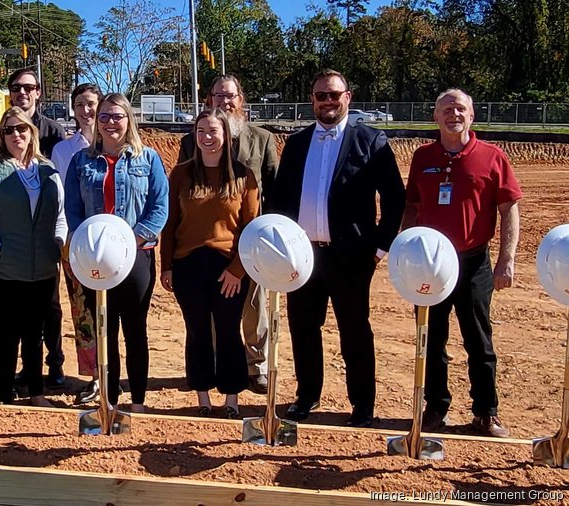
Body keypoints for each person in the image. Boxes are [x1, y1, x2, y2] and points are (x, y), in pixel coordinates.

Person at [269, 69, 405, 428]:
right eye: (320, 96)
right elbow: (281, 199)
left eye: (334, 95)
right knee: (303, 327)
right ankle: (307, 396)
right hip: (303, 256)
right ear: (312, 100)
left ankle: (362, 405)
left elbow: (394, 199)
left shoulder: (371, 141)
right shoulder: (297, 144)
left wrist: (378, 248)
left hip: (352, 257)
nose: (327, 101)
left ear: (348, 97)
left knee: (355, 331)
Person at [402, 88, 521, 438]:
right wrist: (405, 250)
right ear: (435, 117)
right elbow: (411, 206)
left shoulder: (492, 157)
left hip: (473, 264)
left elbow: (508, 209)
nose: (454, 114)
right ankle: (435, 406)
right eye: (447, 109)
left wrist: (506, 260)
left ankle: (486, 411)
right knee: (430, 339)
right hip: (429, 265)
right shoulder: (423, 157)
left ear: (472, 116)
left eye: (461, 109)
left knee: (479, 340)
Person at [65, 93, 169, 413]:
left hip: (137, 256)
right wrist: (90, 243)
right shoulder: (81, 161)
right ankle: (109, 400)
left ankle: (137, 400)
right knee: (104, 329)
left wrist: (131, 240)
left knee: (135, 329)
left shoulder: (147, 158)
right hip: (95, 259)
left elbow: (160, 206)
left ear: (129, 120)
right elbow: (72, 209)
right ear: (96, 121)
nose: (111, 123)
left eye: (118, 116)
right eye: (105, 117)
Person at [176, 74, 278, 394]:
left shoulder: (262, 139)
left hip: (250, 240)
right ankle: (216, 367)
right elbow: (183, 191)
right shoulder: (192, 141)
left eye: (230, 96)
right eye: (219, 96)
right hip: (204, 244)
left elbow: (273, 190)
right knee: (211, 313)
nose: (225, 101)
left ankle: (255, 364)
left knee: (253, 306)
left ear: (241, 100)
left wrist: (268, 238)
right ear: (210, 100)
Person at [161, 108, 259, 419]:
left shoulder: (244, 176)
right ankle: (202, 397)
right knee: (198, 330)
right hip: (188, 265)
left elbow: (250, 227)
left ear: (226, 136)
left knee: (229, 331)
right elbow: (170, 223)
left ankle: (231, 400)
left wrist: (237, 270)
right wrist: (166, 267)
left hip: (227, 267)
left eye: (213, 131)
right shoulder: (181, 174)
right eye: (201, 131)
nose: (206, 137)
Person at [0, 107, 67, 407]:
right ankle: (4, 394)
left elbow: (60, 214)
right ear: (1, 136)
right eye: (8, 130)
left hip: (42, 268)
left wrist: (58, 243)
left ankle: (36, 394)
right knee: (8, 333)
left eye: (21, 129)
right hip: (2, 270)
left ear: (31, 132)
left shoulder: (48, 170)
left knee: (35, 333)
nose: (15, 135)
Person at [0, 68, 68, 388]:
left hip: (47, 239)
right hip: (11, 242)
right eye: (16, 88)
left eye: (29, 87)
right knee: (15, 313)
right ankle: (23, 370)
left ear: (38, 92)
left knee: (49, 307)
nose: (22, 92)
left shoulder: (54, 132)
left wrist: (58, 239)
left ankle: (56, 363)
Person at [51, 83, 103, 403]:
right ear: (73, 109)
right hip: (74, 243)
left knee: (112, 312)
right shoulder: (62, 150)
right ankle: (95, 376)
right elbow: (60, 200)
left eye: (92, 103)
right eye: (81, 104)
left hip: (109, 244)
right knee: (84, 313)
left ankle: (115, 373)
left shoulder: (114, 145)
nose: (87, 110)